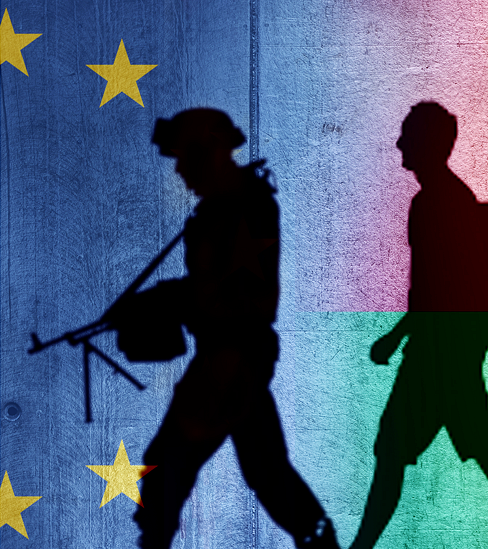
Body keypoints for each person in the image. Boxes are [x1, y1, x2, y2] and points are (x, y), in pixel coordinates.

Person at [125, 109, 339, 549]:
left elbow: (246, 299)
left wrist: (173, 301)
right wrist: (164, 298)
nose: (180, 169)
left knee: (164, 465)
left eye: (187, 158)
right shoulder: (221, 209)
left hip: (231, 359)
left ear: (210, 155)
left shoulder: (245, 208)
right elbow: (214, 287)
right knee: (266, 470)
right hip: (232, 356)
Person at [349, 102, 488, 549]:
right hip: (451, 349)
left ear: (428, 143)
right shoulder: (451, 198)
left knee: (394, 452)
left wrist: (394, 338)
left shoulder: (436, 203)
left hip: (437, 352)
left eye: (407, 135)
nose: (399, 143)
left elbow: (436, 288)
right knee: (479, 451)